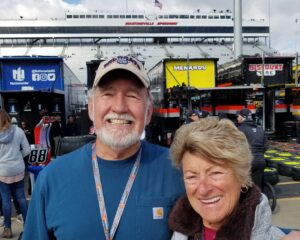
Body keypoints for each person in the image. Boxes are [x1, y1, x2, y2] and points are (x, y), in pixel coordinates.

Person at [23, 56, 184, 240]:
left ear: (148, 113)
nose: (119, 107)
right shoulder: (52, 179)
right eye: (108, 94)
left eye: (132, 95)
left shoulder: (178, 170)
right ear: (91, 108)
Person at [168, 117, 300, 240]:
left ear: (242, 177)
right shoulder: (180, 234)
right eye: (191, 176)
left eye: (215, 173)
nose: (203, 189)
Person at [0, 109, 30, 238]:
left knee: (6, 200)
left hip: (3, 171)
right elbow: (27, 150)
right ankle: (29, 227)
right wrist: (18, 157)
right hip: (18, 169)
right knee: (21, 198)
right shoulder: (18, 131)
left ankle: (7, 229)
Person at [236, 108, 268, 190]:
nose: (237, 118)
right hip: (261, 161)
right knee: (258, 187)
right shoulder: (261, 129)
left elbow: (237, 146)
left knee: (243, 184)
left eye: (238, 116)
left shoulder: (240, 129)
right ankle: (259, 201)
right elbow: (266, 146)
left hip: (248, 161)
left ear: (243, 117)